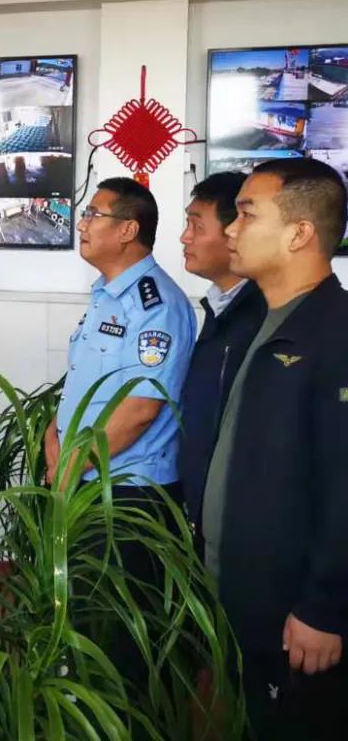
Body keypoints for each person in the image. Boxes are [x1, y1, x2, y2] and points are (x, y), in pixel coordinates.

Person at [206, 157, 348, 738]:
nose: (231, 228)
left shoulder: (335, 334)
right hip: (242, 591)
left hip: (295, 614)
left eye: (246, 213)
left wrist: (323, 607)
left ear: (299, 233)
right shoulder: (260, 320)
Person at [45, 178, 196, 692]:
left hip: (129, 496)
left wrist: (70, 466)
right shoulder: (106, 295)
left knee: (122, 637)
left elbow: (139, 411)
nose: (82, 224)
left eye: (94, 214)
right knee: (87, 618)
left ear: (128, 230)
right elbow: (82, 384)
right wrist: (53, 440)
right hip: (86, 481)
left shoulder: (157, 306)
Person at [178, 172, 267, 533]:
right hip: (202, 509)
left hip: (239, 519)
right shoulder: (220, 307)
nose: (184, 237)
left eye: (196, 226)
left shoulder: (264, 316)